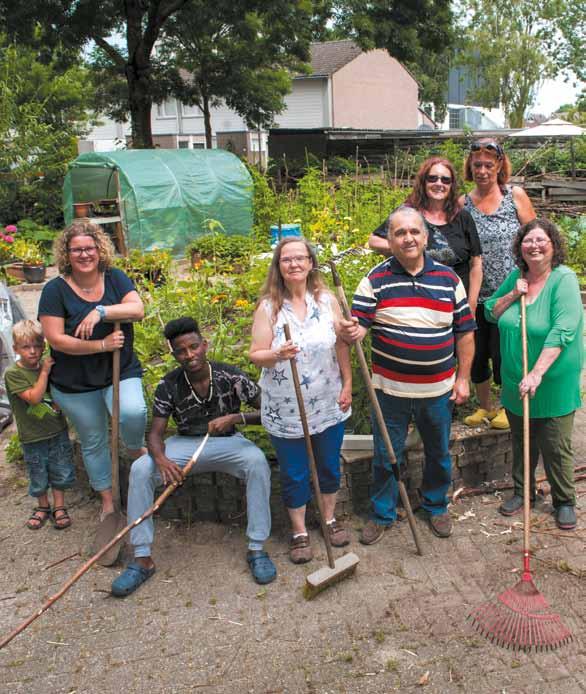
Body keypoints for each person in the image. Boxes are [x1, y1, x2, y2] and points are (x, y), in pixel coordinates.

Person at [112, 317, 276, 596]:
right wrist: (161, 460)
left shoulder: (231, 377)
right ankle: (142, 558)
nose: (189, 355)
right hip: (184, 444)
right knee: (141, 468)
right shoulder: (169, 384)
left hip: (228, 443)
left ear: (205, 345)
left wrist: (236, 417)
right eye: (181, 351)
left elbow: (270, 412)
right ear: (174, 354)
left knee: (257, 462)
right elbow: (155, 434)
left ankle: (257, 548)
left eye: (194, 347)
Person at [341, 207, 476, 542]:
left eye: (414, 231)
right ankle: (383, 513)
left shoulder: (449, 280)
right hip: (389, 393)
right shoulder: (375, 279)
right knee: (387, 455)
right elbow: (357, 325)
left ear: (426, 236)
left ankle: (436, 506)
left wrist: (462, 379)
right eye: (399, 233)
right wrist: (353, 330)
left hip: (438, 391)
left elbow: (465, 333)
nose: (408, 238)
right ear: (389, 239)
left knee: (439, 454)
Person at [249, 237, 352, 564]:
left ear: (311, 263)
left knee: (328, 465)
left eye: (300, 258)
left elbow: (341, 344)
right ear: (278, 266)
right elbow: (256, 356)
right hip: (286, 408)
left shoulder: (327, 300)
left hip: (326, 402)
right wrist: (276, 354)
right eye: (286, 260)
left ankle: (329, 518)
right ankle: (299, 531)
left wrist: (348, 382)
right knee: (294, 472)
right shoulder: (269, 308)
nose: (294, 264)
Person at [38, 219, 147, 519]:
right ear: (66, 254)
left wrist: (100, 311)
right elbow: (56, 340)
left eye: (89, 248)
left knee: (133, 412)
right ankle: (109, 502)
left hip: (119, 370)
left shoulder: (114, 278)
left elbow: (137, 309)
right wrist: (101, 346)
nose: (84, 255)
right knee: (94, 439)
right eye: (76, 250)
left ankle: (136, 448)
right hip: (74, 383)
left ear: (99, 249)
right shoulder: (55, 290)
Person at [484, 219, 583, 530]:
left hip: (551, 381)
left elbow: (563, 330)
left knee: (555, 444)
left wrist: (537, 373)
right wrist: (513, 294)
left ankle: (564, 499)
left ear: (553, 245)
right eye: (528, 240)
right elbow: (490, 310)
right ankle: (522, 492)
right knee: (521, 440)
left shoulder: (563, 279)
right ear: (520, 247)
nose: (535, 245)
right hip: (515, 380)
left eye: (542, 240)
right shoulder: (517, 276)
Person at [461, 139, 536, 430]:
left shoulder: (514, 195)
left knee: (505, 352)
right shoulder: (462, 203)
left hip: (512, 291)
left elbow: (533, 237)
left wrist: (532, 278)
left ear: (499, 166)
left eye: (488, 165)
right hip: (476, 293)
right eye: (477, 165)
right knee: (477, 353)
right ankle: (484, 407)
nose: (482, 170)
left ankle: (508, 406)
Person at [368, 157, 483, 312]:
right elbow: (374, 241)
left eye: (445, 180)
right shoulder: (408, 213)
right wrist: (406, 246)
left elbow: (476, 264)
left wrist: (471, 305)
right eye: (432, 178)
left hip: (456, 303)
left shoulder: (462, 217)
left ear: (452, 185)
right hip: (415, 301)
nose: (439, 184)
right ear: (424, 182)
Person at [5, 320, 75, 530]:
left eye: (37, 346)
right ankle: (43, 507)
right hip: (32, 435)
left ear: (43, 346)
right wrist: (44, 372)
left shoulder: (49, 364)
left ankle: (60, 506)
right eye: (26, 347)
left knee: (60, 469)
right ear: (16, 348)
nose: (33, 352)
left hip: (57, 431)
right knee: (38, 472)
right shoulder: (13, 374)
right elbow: (34, 398)